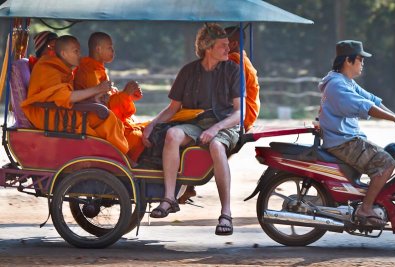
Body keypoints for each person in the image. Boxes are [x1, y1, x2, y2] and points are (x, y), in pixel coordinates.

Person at [142, 23, 240, 236]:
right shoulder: (188, 71)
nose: (228, 49)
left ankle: (226, 213)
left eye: (228, 45)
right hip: (195, 123)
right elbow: (173, 109)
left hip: (224, 124)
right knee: (172, 134)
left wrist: (216, 128)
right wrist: (151, 125)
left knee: (216, 145)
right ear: (208, 48)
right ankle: (169, 198)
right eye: (223, 46)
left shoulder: (233, 70)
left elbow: (238, 113)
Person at [318, 40, 395, 227]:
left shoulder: (345, 81)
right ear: (348, 60)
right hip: (344, 142)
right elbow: (367, 107)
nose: (363, 63)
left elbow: (372, 100)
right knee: (387, 163)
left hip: (347, 139)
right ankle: (366, 208)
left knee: (391, 151)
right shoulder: (338, 85)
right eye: (360, 60)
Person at [178, 26, 261, 204]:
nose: (223, 48)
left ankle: (188, 184)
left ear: (234, 44)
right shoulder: (241, 58)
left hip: (237, 116)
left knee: (192, 133)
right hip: (238, 113)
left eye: (225, 43)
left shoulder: (233, 62)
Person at [21, 35, 129, 154]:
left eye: (79, 51)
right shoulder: (47, 67)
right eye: (76, 51)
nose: (80, 55)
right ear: (63, 53)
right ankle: (121, 157)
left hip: (59, 111)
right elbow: (64, 96)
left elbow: (65, 95)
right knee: (108, 118)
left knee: (110, 119)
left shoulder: (63, 68)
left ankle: (108, 155)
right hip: (48, 115)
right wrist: (97, 89)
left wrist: (93, 98)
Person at [74, 32, 145, 162]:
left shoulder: (98, 68)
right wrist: (124, 95)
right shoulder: (90, 71)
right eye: (110, 47)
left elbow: (105, 99)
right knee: (137, 136)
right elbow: (101, 105)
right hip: (94, 120)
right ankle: (127, 163)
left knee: (145, 128)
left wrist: (127, 96)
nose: (113, 51)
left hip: (104, 116)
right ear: (98, 49)